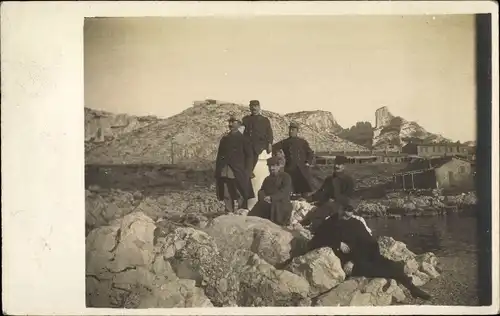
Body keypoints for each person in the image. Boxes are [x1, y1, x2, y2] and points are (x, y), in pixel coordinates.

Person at [306, 206, 432, 301]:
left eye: (349, 210)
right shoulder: (329, 224)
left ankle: (412, 288)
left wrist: (354, 259)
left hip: (359, 257)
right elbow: (316, 240)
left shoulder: (356, 223)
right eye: (344, 210)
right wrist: (337, 243)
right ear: (338, 208)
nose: (346, 213)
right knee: (386, 269)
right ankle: (412, 288)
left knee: (389, 264)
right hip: (345, 262)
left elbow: (370, 244)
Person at [300, 155, 361, 232]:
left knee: (320, 214)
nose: (336, 166)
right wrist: (308, 199)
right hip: (327, 203)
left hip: (341, 205)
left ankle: (316, 231)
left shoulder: (348, 180)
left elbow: (349, 196)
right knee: (313, 213)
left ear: (344, 166)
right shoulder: (329, 179)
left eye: (339, 164)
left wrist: (335, 201)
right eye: (335, 164)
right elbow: (320, 192)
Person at [215, 115, 255, 212]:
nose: (230, 124)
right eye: (230, 122)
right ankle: (229, 211)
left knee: (240, 192)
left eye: (233, 122)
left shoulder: (244, 139)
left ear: (239, 124)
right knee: (226, 193)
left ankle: (242, 212)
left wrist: (248, 171)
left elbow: (250, 156)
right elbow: (219, 156)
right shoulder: (224, 139)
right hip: (225, 170)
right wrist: (218, 170)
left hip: (238, 170)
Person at [248, 156, 293, 226]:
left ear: (279, 166)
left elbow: (284, 192)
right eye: (269, 166)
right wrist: (263, 198)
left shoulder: (286, 177)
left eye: (274, 166)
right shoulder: (267, 179)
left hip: (281, 203)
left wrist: (271, 198)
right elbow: (261, 190)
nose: (271, 168)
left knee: (275, 208)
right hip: (267, 202)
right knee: (253, 216)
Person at [272, 122, 315, 197]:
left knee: (304, 189)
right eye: (290, 129)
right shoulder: (285, 142)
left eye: (293, 130)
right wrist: (276, 157)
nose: (290, 131)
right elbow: (274, 147)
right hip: (290, 168)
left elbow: (310, 153)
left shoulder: (302, 142)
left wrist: (308, 162)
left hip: (302, 168)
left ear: (297, 131)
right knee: (290, 188)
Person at [242, 100, 274, 174]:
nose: (254, 108)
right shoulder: (246, 119)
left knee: (253, 153)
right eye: (252, 106)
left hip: (259, 145)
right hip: (247, 144)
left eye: (256, 106)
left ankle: (249, 172)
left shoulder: (265, 120)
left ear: (259, 107)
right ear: (249, 108)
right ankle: (248, 172)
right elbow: (242, 132)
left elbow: (269, 133)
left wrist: (270, 144)